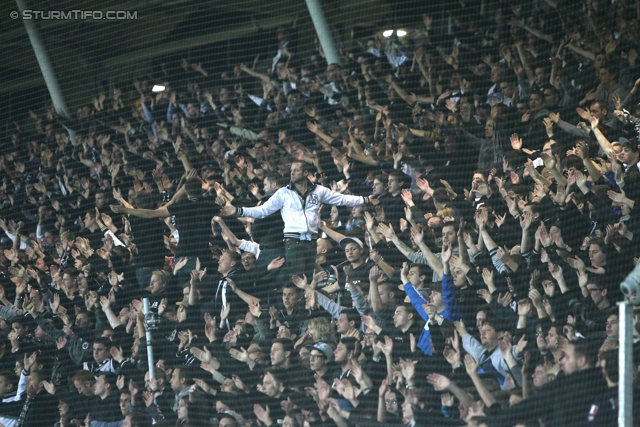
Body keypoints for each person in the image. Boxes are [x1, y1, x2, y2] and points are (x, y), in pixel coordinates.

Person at [220, 161, 375, 278]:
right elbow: (263, 211)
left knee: (307, 278)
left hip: (311, 241)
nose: (292, 173)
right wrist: (238, 210)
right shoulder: (283, 193)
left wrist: (366, 200)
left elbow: (342, 199)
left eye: (296, 170)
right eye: (291, 171)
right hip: (293, 241)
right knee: (297, 278)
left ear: (305, 172)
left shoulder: (318, 191)